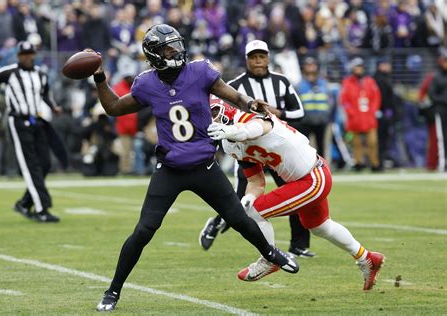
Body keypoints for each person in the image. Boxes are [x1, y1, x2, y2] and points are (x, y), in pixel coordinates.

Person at [90, 24, 298, 312]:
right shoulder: (147, 83)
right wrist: (100, 77)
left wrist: (251, 103)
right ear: (155, 54)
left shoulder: (200, 72)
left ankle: (272, 253)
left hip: (204, 165)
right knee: (144, 230)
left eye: (176, 45)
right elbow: (113, 108)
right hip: (171, 167)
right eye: (167, 48)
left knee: (238, 218)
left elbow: (232, 95)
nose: (175, 51)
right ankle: (113, 291)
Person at [207, 100, 385, 289]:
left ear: (226, 107)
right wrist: (247, 199)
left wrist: (231, 131)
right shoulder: (228, 145)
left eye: (215, 111)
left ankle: (270, 259)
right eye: (207, 114)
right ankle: (367, 259)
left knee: (256, 213)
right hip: (303, 180)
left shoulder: (248, 119)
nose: (213, 117)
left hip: (313, 177)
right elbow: (256, 182)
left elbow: (256, 128)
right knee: (319, 226)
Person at [199, 40, 315, 259]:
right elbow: (223, 114)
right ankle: (216, 224)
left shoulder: (281, 81)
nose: (258, 61)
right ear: (246, 60)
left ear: (269, 58)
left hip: (277, 149)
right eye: (253, 57)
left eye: (262, 56)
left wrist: (275, 113)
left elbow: (299, 112)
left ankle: (299, 245)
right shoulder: (235, 85)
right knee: (240, 198)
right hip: (247, 148)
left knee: (295, 191)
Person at [0, 41, 62, 222]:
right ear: (19, 56)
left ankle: (24, 203)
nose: (28, 56)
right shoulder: (10, 72)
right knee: (31, 166)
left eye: (30, 53)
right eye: (24, 54)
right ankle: (41, 209)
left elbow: (45, 94)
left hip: (36, 121)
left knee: (44, 163)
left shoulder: (41, 75)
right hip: (18, 121)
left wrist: (53, 107)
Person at [340, 57, 382, 172]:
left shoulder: (370, 81)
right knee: (356, 143)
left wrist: (373, 110)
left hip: (368, 117)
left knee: (372, 142)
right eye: (356, 67)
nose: (359, 69)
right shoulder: (347, 82)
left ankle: (374, 163)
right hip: (355, 118)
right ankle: (359, 163)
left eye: (360, 67)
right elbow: (344, 100)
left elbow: (376, 97)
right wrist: (351, 112)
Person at [428, 48, 447, 172]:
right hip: (441, 109)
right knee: (442, 136)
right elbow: (432, 94)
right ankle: (443, 163)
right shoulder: (436, 77)